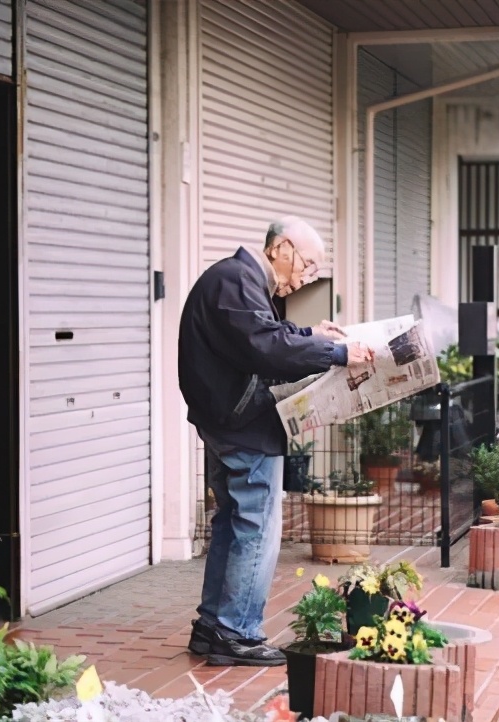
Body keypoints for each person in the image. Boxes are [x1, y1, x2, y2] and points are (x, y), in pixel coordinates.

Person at [178, 216, 373, 665]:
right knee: (257, 527)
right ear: (280, 248)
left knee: (232, 522)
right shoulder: (236, 279)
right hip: (242, 423)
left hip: (229, 418)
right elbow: (265, 346)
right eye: (306, 266)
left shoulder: (238, 280)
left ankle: (212, 627)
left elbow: (268, 339)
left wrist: (313, 336)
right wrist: (336, 352)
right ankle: (237, 632)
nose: (306, 279)